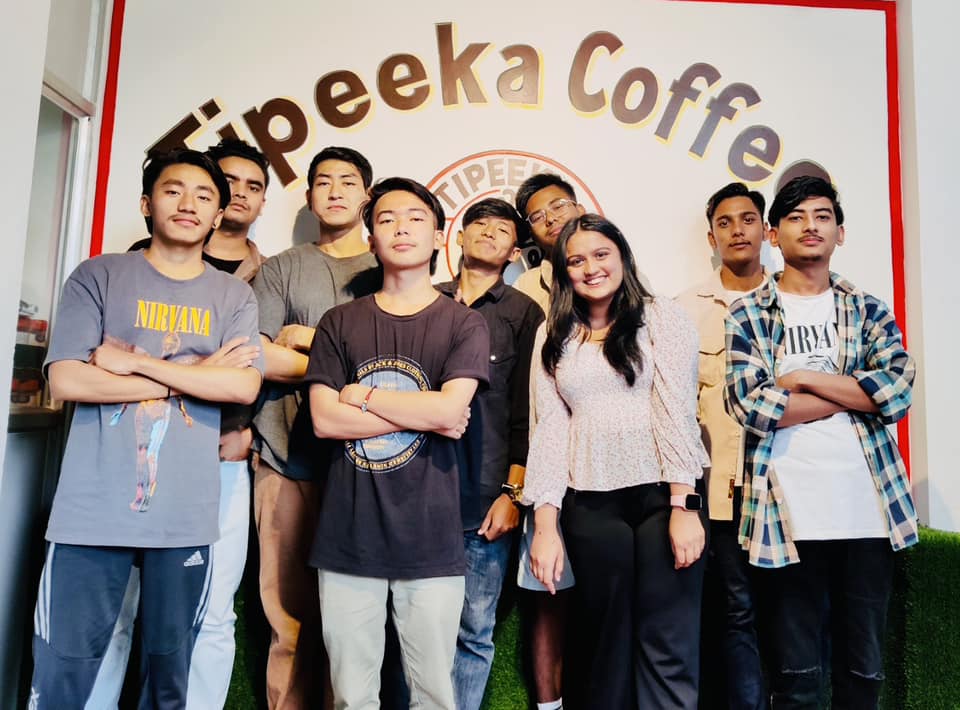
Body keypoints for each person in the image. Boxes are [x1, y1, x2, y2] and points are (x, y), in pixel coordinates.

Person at [30, 148, 264, 709]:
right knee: (63, 678)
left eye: (204, 196)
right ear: (145, 203)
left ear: (218, 216)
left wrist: (132, 364)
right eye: (172, 190)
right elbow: (67, 378)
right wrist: (197, 375)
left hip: (184, 517)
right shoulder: (99, 275)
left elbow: (242, 387)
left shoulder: (233, 295)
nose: (188, 204)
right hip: (90, 513)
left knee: (168, 682)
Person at [725, 176, 918, 708]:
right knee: (795, 678)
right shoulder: (747, 313)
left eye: (822, 216)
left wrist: (802, 380)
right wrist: (855, 394)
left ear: (840, 232)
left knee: (864, 673)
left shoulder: (869, 309)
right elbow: (751, 405)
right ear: (773, 233)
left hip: (867, 513)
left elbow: (897, 390)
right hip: (786, 517)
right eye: (795, 217)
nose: (810, 226)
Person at [304, 177, 490, 709]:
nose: (401, 228)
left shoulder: (464, 323)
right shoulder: (340, 321)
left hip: (431, 536)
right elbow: (324, 420)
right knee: (351, 695)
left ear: (438, 237)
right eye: (386, 219)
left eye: (415, 218)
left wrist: (360, 396)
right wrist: (425, 415)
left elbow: (450, 410)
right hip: (348, 533)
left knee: (434, 694)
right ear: (371, 239)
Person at [105, 138, 271, 710]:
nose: (236, 194)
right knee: (120, 605)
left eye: (252, 186)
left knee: (211, 608)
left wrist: (238, 405)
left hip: (222, 454)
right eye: (226, 182)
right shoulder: (134, 263)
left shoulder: (266, 274)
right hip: (136, 452)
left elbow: (252, 374)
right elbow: (107, 360)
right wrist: (206, 371)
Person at [525, 214, 708, 709]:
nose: (591, 268)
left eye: (601, 254)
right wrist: (545, 525)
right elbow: (549, 429)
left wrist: (684, 505)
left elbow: (677, 410)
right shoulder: (553, 333)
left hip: (663, 497)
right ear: (563, 271)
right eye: (576, 260)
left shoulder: (661, 317)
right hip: (589, 501)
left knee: (667, 640)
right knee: (604, 644)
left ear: (623, 257)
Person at [250, 146, 379, 708]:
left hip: (372, 464)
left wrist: (307, 339)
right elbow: (256, 355)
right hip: (285, 458)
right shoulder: (282, 267)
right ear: (308, 197)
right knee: (288, 620)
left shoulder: (389, 266)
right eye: (323, 182)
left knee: (355, 624)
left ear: (366, 195)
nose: (335, 191)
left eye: (347, 181)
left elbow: (399, 368)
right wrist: (340, 363)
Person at [436, 198, 543, 710]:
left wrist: (512, 493)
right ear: (458, 236)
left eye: (502, 230)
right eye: (479, 224)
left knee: (473, 631)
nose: (489, 233)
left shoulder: (524, 314)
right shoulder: (423, 301)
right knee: (408, 629)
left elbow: (528, 414)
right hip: (414, 495)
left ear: (515, 252)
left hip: (484, 500)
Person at [676, 182, 768, 709]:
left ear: (766, 230)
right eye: (725, 223)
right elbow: (677, 409)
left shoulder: (792, 302)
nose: (737, 231)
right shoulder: (685, 309)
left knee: (794, 613)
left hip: (786, 491)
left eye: (748, 219)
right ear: (712, 237)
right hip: (722, 493)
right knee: (735, 612)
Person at [512, 174, 585, 710]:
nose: (552, 218)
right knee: (548, 595)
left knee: (610, 597)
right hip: (548, 467)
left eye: (559, 206)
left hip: (616, 471)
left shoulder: (623, 273)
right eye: (539, 216)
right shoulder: (524, 294)